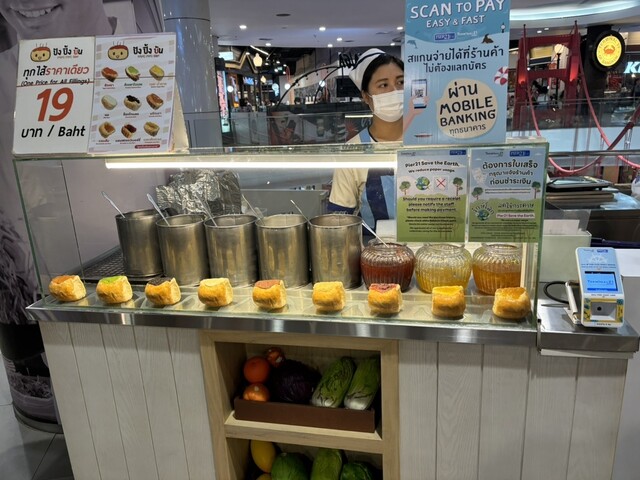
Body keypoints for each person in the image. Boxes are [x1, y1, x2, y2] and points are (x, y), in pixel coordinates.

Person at [327, 48, 423, 230]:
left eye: (401, 82)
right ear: (366, 96)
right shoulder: (352, 151)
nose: (395, 90)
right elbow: (339, 221)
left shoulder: (427, 139)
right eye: (383, 85)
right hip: (374, 246)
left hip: (430, 244)